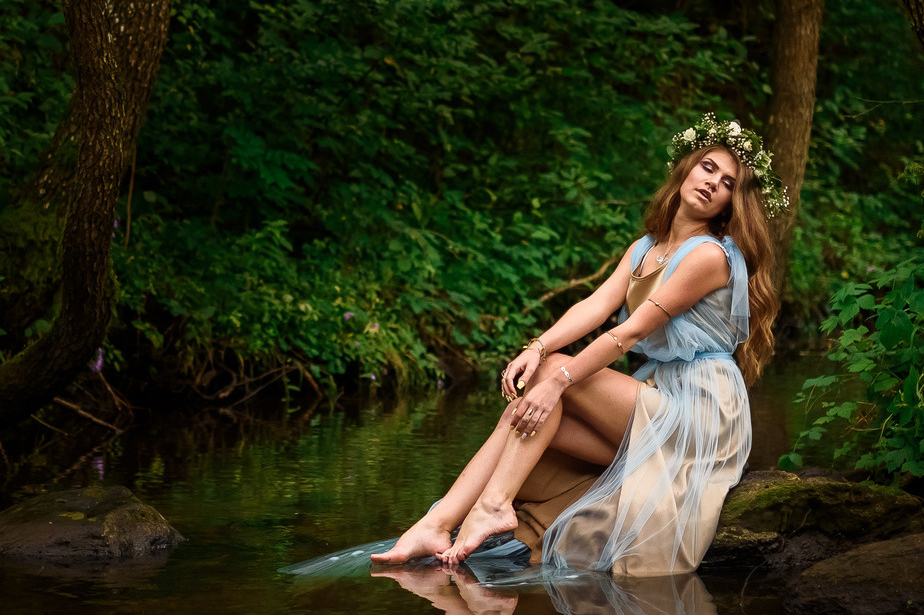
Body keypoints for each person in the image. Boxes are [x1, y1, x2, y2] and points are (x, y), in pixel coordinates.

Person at [286, 113, 785, 582]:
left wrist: (558, 375)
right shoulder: (645, 247)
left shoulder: (709, 256)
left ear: (729, 206)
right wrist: (537, 348)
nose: (711, 183)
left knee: (554, 381)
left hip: (700, 410)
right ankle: (437, 522)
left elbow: (629, 333)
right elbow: (596, 305)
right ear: (686, 167)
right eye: (708, 167)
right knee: (527, 411)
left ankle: (491, 506)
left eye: (726, 185)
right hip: (657, 397)